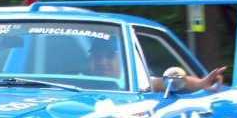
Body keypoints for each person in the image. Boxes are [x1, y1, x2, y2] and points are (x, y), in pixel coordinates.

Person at [88, 38, 226, 92]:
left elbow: (164, 81)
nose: (102, 62)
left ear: (120, 59)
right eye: (97, 56)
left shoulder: (137, 83)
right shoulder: (77, 81)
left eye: (109, 56)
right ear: (90, 59)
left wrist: (201, 83)